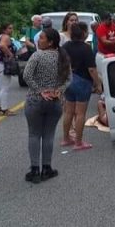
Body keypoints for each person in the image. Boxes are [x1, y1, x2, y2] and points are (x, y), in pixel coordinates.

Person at [22, 28, 70, 183]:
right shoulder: (62, 57)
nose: (38, 40)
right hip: (55, 102)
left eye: (41, 38)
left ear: (50, 42)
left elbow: (27, 75)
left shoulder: (37, 55)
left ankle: (35, 169)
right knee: (49, 135)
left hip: (35, 100)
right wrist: (58, 91)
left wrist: (40, 91)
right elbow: (69, 79)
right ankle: (47, 168)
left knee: (34, 134)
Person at [62, 23, 103, 150]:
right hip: (82, 81)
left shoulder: (65, 46)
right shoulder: (86, 48)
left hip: (68, 80)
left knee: (68, 111)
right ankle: (78, 142)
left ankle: (66, 138)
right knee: (80, 113)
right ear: (84, 33)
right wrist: (98, 83)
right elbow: (91, 69)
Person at [0, 22, 17, 116]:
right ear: (4, 29)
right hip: (3, 63)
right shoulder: (5, 37)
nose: (11, 30)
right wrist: (10, 54)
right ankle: (4, 109)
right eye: (9, 28)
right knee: (4, 87)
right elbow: (2, 46)